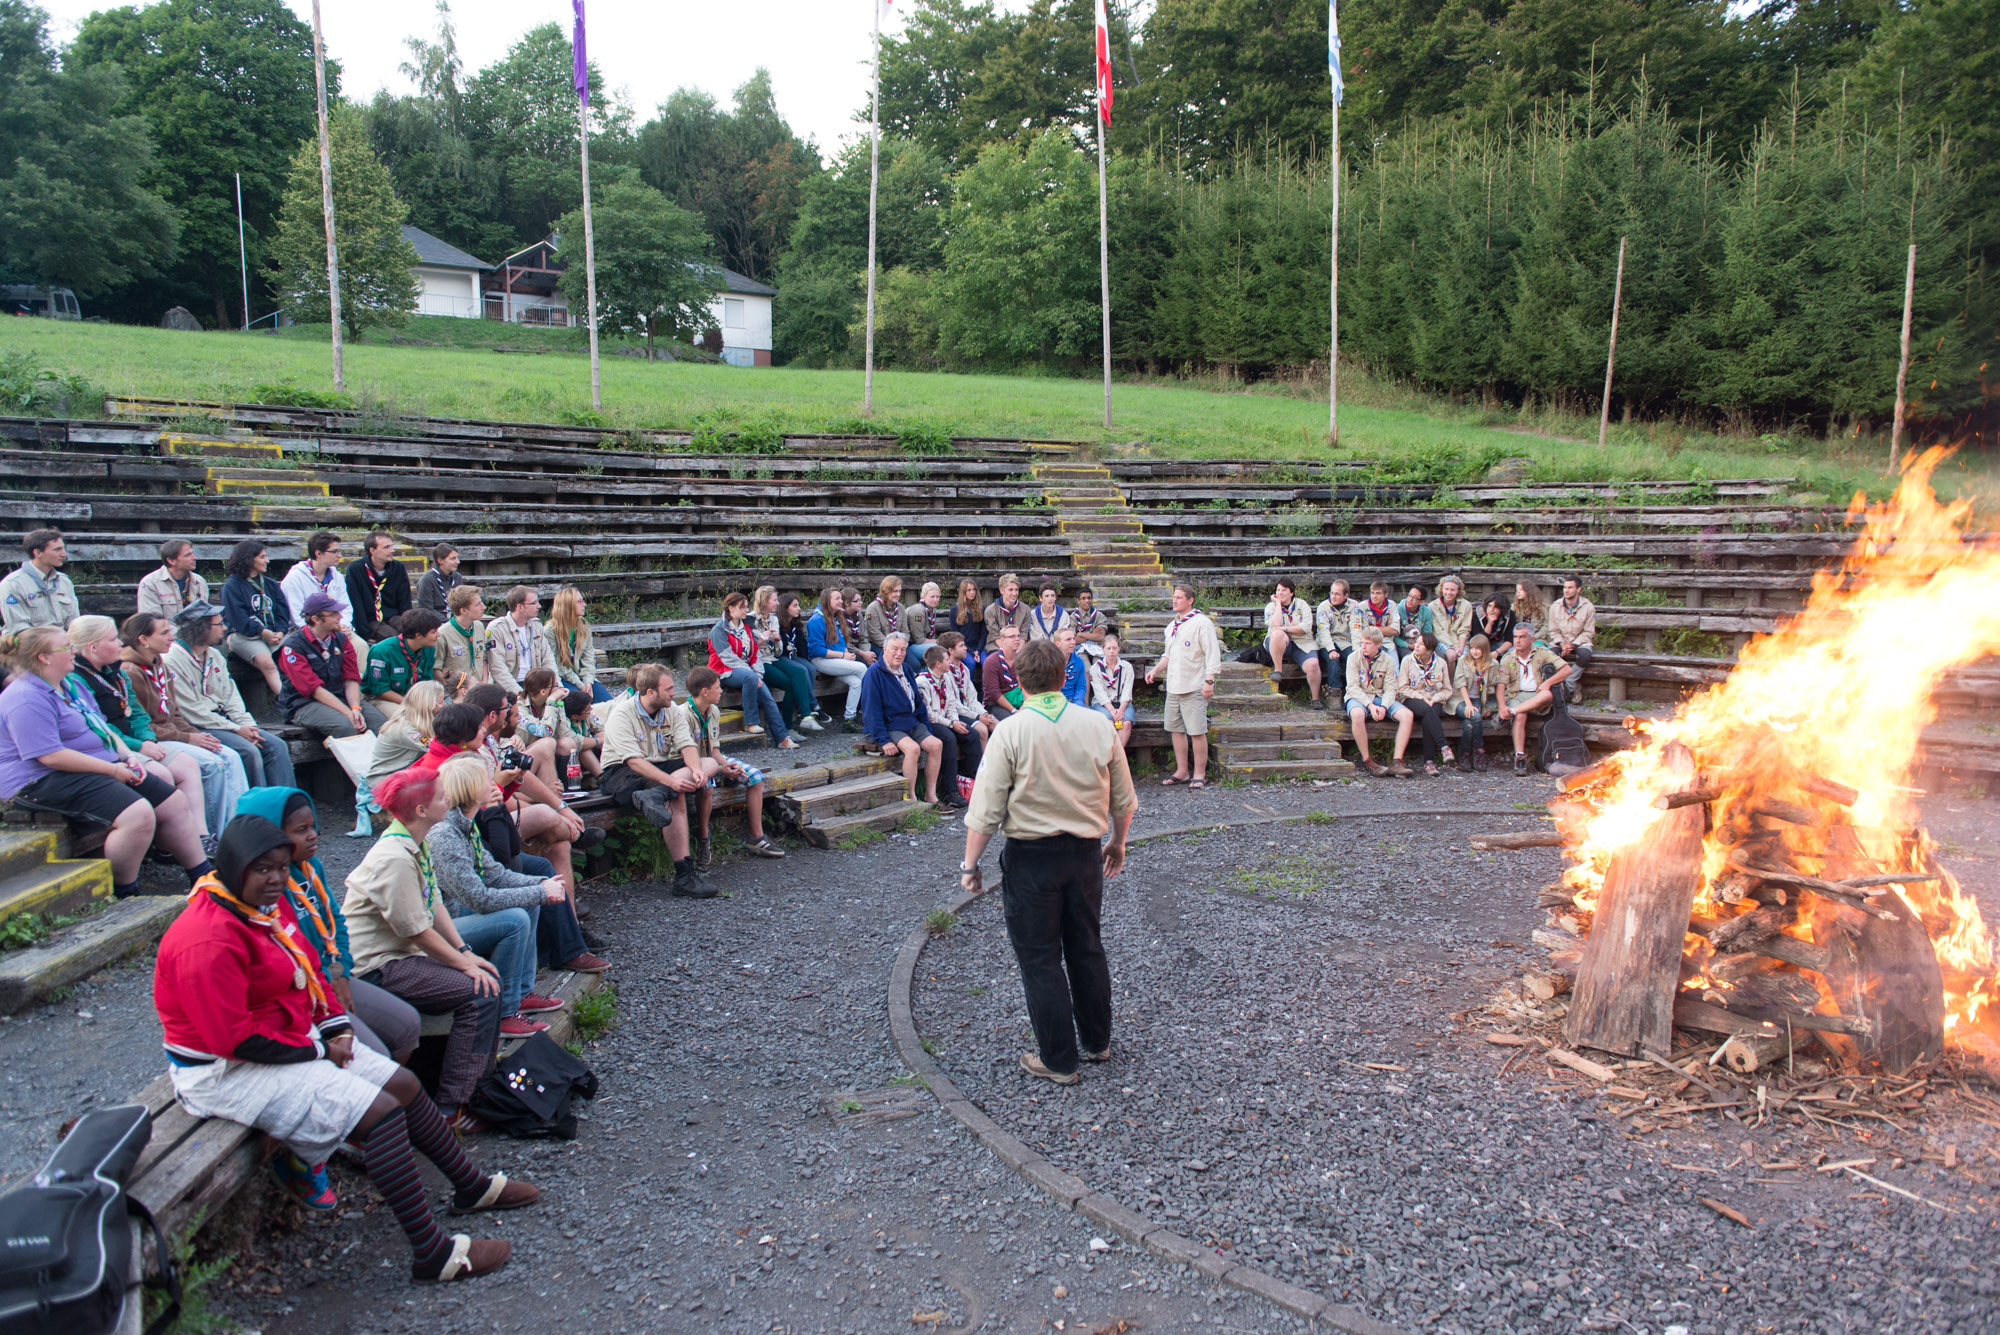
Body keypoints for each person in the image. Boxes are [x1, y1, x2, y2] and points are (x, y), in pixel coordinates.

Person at [158, 811, 536, 1282]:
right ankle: (431, 1252)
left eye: (280, 866)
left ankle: (470, 1185)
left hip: (289, 1041)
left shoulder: (258, 908)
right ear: (233, 868)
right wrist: (319, 1049)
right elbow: (231, 1039)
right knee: (379, 1112)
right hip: (223, 1070)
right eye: (262, 869)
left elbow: (312, 972)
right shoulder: (207, 937)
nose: (276, 878)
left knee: (403, 1082)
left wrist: (335, 1027)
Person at [958, 639, 1136, 1086]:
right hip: (1084, 854)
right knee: (1087, 947)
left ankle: (1058, 1059)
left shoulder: (1011, 731)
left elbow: (986, 809)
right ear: (1063, 676)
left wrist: (970, 865)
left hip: (1031, 858)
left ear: (1019, 681)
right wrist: (1117, 841)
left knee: (1040, 958)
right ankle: (1097, 1042)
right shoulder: (1099, 726)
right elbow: (1123, 797)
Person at [340, 770, 503, 1133]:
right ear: (421, 809)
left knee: (484, 977)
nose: (448, 802)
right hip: (378, 966)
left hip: (401, 954)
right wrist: (465, 966)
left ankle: (473, 1088)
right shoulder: (394, 858)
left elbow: (435, 906)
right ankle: (452, 1105)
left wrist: (464, 951)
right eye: (441, 798)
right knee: (480, 992)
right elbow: (416, 929)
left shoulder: (415, 841)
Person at [0, 626, 209, 898]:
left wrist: (129, 756)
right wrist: (112, 770)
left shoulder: (70, 684)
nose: (74, 651)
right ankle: (124, 892)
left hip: (92, 765)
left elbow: (103, 727)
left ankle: (203, 878)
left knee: (173, 802)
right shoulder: (24, 696)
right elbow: (50, 756)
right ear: (44, 658)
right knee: (138, 814)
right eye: (66, 647)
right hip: (38, 780)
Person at [235, 787, 421, 1062]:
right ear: (271, 833)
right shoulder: (265, 887)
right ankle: (373, 1095)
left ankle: (399, 1093)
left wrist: (341, 972)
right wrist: (330, 981)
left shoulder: (312, 868)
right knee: (373, 1053)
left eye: (313, 827)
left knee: (407, 1024)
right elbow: (285, 958)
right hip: (301, 991)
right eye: (301, 830)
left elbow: (336, 924)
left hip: (332, 974)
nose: (313, 835)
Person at [428, 756, 602, 1038]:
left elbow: (495, 872)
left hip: (452, 914)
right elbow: (479, 899)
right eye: (486, 779)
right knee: (514, 918)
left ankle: (521, 992)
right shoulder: (445, 836)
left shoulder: (465, 824)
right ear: (472, 789)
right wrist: (539, 892)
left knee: (527, 900)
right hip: (436, 928)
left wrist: (541, 884)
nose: (493, 781)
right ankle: (504, 1011)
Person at [65, 616, 221, 848]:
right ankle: (164, 844)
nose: (120, 643)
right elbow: (100, 725)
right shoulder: (77, 679)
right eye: (113, 639)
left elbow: (137, 713)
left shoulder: (115, 672)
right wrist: (139, 746)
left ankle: (201, 836)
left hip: (138, 740)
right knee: (161, 774)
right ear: (92, 647)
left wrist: (146, 737)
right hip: (114, 745)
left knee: (188, 765)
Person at [119, 613, 249, 839]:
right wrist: (189, 739)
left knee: (229, 755)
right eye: (164, 632)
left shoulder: (160, 665)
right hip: (156, 739)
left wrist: (197, 735)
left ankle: (238, 829)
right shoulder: (132, 672)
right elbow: (146, 725)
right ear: (143, 639)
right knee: (213, 763)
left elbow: (174, 713)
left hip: (173, 733)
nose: (172, 636)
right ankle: (209, 835)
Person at [597, 664, 713, 898]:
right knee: (676, 793)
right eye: (669, 688)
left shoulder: (671, 711)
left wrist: (695, 769)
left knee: (708, 764)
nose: (673, 693)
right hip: (621, 772)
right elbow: (634, 762)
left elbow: (687, 745)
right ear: (650, 692)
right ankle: (684, 874)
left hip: (656, 766)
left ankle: (656, 795)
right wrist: (671, 783)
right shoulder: (621, 714)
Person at [165, 603, 295, 789]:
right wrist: (235, 729)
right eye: (219, 624)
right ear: (201, 629)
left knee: (276, 745)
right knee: (248, 751)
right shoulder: (172, 660)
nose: (225, 628)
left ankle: (285, 807)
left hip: (224, 722)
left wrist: (248, 725)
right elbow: (192, 712)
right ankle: (253, 810)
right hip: (198, 727)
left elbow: (231, 696)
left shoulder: (214, 656)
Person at [677, 666, 790, 860]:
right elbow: (688, 755)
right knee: (707, 786)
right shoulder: (682, 715)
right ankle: (704, 837)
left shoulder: (713, 710)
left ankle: (756, 837)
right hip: (690, 764)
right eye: (718, 687)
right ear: (705, 691)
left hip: (711, 758)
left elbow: (714, 749)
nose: (721, 691)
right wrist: (721, 769)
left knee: (753, 776)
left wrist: (726, 766)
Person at [278, 593, 387, 741]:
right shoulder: (293, 647)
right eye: (334, 614)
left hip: (341, 697)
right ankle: (352, 764)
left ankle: (380, 764)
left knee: (381, 725)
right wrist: (348, 713)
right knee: (346, 726)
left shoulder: (341, 640)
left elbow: (351, 678)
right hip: (304, 704)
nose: (340, 617)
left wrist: (355, 708)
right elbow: (313, 690)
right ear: (316, 619)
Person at [1144, 584, 1219, 789]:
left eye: (1179, 597)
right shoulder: (1172, 625)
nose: (1175, 600)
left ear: (1190, 600)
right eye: (1174, 597)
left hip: (1194, 684)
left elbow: (1212, 653)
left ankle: (1200, 774)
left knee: (1196, 731)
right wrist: (1156, 670)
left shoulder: (1201, 623)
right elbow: (1168, 654)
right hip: (1174, 685)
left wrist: (1209, 680)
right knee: (1176, 729)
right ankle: (1182, 771)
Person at [861, 636, 946, 806]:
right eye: (894, 649)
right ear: (884, 649)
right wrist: (883, 740)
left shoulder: (906, 669)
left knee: (936, 745)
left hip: (911, 722)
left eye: (902, 649)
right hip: (890, 725)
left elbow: (918, 702)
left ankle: (931, 794)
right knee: (913, 749)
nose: (899, 653)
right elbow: (872, 710)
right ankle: (911, 798)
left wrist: (926, 727)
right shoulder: (874, 674)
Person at [707, 592, 796, 749]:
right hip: (724, 671)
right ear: (731, 608)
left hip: (748, 673)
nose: (746, 610)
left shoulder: (746, 627)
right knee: (750, 677)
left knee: (767, 697)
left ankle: (782, 737)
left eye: (747, 606)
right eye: (742, 607)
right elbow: (727, 658)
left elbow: (755, 654)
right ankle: (751, 722)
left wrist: (758, 675)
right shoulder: (718, 630)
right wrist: (753, 675)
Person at [218, 539, 293, 698]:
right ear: (249, 559)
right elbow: (239, 620)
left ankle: (301, 696)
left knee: (291, 657)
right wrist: (263, 632)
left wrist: (280, 631)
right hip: (242, 636)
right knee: (268, 664)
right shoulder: (232, 586)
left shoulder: (271, 584)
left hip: (272, 635)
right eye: (262, 557)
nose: (267, 561)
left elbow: (282, 612)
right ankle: (287, 702)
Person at [1495, 622, 1573, 776]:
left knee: (1547, 694)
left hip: (1537, 696)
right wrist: (1502, 706)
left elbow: (1567, 669)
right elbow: (1501, 685)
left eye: (1522, 637)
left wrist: (1548, 682)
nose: (1517, 641)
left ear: (1531, 639)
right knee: (1521, 715)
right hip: (1517, 695)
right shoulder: (1508, 657)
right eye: (1515, 637)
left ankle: (1511, 712)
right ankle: (1519, 757)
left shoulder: (1542, 652)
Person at [1345, 626, 1412, 778]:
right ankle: (1367, 760)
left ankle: (1397, 761)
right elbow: (1353, 686)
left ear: (1378, 645)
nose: (1363, 646)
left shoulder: (1387, 660)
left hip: (1379, 696)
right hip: (1359, 696)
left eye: (1368, 643)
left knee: (1407, 715)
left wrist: (1383, 706)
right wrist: (1370, 705)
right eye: (1362, 642)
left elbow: (1390, 687)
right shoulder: (1354, 657)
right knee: (1357, 714)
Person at [755, 587, 822, 734]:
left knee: (799, 672)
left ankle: (805, 717)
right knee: (793, 681)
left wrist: (778, 641)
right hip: (758, 662)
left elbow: (778, 651)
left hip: (772, 659)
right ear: (765, 601)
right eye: (774, 600)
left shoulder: (773, 619)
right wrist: (759, 642)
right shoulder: (751, 619)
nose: (777, 603)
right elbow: (746, 649)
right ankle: (791, 725)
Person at [916, 645, 982, 792]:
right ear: (938, 664)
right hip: (932, 723)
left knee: (972, 734)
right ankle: (949, 789)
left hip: (947, 719)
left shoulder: (945, 677)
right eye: (947, 660)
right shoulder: (922, 682)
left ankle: (971, 780)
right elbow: (929, 714)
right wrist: (951, 724)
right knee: (949, 738)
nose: (950, 663)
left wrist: (955, 720)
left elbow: (952, 702)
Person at [806, 588, 868, 732]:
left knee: (856, 682)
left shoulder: (836, 617)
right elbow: (817, 650)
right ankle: (870, 710)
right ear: (827, 601)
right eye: (837, 599)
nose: (841, 601)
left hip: (836, 659)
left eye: (841, 598)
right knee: (862, 668)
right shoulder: (815, 620)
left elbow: (841, 641)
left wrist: (846, 652)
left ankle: (849, 719)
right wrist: (842, 656)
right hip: (821, 660)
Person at [363, 609, 444, 719]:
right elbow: (380, 690)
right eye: (434, 632)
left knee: (445, 713)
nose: (438, 635)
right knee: (410, 717)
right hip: (383, 698)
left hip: (414, 698)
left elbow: (426, 681)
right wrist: (414, 705)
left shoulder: (428, 649)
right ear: (418, 635)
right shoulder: (382, 651)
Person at [280, 532, 355, 648]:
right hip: (305, 633)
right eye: (334, 551)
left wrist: (343, 627)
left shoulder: (337, 577)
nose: (339, 555)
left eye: (339, 551)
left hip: (337, 630)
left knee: (360, 646)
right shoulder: (295, 578)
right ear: (318, 553)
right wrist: (327, 631)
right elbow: (297, 616)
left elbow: (346, 607)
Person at [368, 680, 445, 790]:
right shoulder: (406, 729)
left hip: (402, 775)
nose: (444, 705)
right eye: (440, 702)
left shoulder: (418, 722)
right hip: (384, 782)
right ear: (428, 705)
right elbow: (437, 748)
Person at [1396, 632, 1455, 776]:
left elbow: (1448, 689)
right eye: (1417, 642)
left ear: (1429, 649)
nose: (1416, 645)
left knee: (1431, 712)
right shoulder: (1407, 660)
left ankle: (1430, 762)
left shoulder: (1440, 663)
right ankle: (1443, 747)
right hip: (1412, 698)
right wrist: (1421, 697)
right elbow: (1402, 688)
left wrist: (1435, 698)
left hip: (1433, 698)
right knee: (1428, 710)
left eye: (1421, 644)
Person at [1263, 578, 1324, 709]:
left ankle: (1315, 699)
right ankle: (1278, 670)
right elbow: (1276, 625)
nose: (1280, 593)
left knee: (1313, 665)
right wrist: (1278, 605)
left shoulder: (1302, 605)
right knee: (1277, 634)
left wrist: (1286, 629)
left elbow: (1305, 627)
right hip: (1278, 643)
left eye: (1284, 590)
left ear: (1291, 593)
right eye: (1278, 590)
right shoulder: (1271, 606)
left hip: (1303, 642)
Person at [1, 529, 77, 633]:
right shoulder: (13, 584)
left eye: (63, 549)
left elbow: (73, 624)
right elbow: (19, 629)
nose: (64, 554)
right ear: (38, 552)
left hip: (62, 644)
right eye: (57, 549)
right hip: (29, 645)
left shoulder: (64, 581)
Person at [542, 586, 608, 703]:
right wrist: (580, 685)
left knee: (608, 703)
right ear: (568, 605)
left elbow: (588, 658)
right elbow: (557, 665)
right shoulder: (550, 630)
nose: (584, 605)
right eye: (579, 602)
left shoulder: (583, 626)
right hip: (563, 678)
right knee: (580, 703)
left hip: (582, 676)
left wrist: (588, 682)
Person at [346, 531, 412, 645]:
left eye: (392, 546)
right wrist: (365, 634)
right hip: (371, 620)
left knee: (415, 633)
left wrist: (409, 624)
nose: (392, 550)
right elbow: (356, 605)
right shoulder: (356, 569)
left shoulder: (398, 568)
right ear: (372, 550)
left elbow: (405, 602)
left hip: (393, 616)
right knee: (395, 640)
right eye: (386, 547)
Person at [512, 668, 572, 792]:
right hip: (522, 760)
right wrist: (551, 702)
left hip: (545, 757)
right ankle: (552, 795)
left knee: (567, 743)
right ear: (543, 691)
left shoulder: (553, 702)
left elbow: (565, 734)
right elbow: (545, 732)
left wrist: (558, 705)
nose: (559, 689)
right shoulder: (519, 708)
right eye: (555, 686)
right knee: (547, 742)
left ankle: (565, 789)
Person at [488, 586, 556, 696]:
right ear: (520, 607)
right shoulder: (497, 628)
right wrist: (520, 694)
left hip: (536, 685)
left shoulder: (536, 625)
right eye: (533, 603)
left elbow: (548, 658)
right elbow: (498, 668)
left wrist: (555, 685)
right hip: (508, 687)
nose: (539, 606)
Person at [1451, 633, 1500, 772]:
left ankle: (1465, 755)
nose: (1474, 651)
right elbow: (1460, 684)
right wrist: (1468, 704)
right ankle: (1479, 750)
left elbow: (1491, 687)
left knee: (1470, 724)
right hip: (1461, 699)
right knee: (1475, 716)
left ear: (1485, 649)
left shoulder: (1492, 664)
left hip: (1479, 700)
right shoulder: (1463, 661)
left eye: (1478, 648)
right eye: (1472, 648)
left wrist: (1488, 707)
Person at [1548, 576, 1597, 703]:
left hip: (1580, 642)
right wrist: (1562, 643)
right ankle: (1563, 687)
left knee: (1585, 655)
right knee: (1549, 657)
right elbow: (1553, 630)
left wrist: (1573, 645)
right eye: (1565, 587)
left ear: (1578, 589)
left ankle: (1569, 683)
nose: (1566, 590)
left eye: (1570, 587)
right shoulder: (1555, 606)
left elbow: (1588, 632)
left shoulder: (1588, 607)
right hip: (1560, 641)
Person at [137, 539, 209, 622]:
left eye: (192, 553)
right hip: (166, 633)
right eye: (188, 555)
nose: (194, 558)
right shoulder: (150, 583)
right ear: (171, 561)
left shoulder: (199, 581)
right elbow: (151, 622)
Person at [1086, 633, 1135, 752]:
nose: (1111, 651)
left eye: (1114, 648)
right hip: (1102, 704)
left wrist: (1121, 709)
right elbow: (1099, 693)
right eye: (1108, 648)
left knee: (1127, 723)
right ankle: (1114, 758)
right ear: (1103, 649)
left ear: (1119, 648)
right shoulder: (1095, 668)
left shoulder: (1126, 667)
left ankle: (1116, 757)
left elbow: (1127, 691)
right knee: (1108, 722)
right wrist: (1112, 710)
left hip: (1122, 703)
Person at [437, 584, 492, 688]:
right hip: (457, 693)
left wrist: (484, 681)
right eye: (478, 604)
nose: (483, 607)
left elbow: (483, 658)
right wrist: (454, 690)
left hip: (479, 688)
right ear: (463, 610)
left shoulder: (479, 627)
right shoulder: (443, 634)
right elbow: (436, 669)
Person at [1314, 578, 1360, 694]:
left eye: (1337, 594)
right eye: (1332, 593)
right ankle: (1334, 692)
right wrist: (1331, 650)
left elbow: (1356, 629)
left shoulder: (1354, 606)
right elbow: (1323, 632)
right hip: (1326, 642)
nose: (1333, 596)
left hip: (1345, 641)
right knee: (1333, 661)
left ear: (1346, 595)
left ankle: (1354, 690)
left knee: (1353, 659)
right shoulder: (1323, 607)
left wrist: (1357, 650)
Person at [1425, 575, 1474, 676]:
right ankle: (1450, 683)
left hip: (1459, 641)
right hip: (1441, 640)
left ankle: (1461, 684)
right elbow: (1438, 631)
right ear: (1441, 589)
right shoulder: (1433, 606)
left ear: (1458, 591)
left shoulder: (1466, 606)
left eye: (1453, 590)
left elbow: (1464, 629)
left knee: (1464, 657)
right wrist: (1452, 647)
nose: (1449, 592)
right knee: (1451, 655)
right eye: (1446, 589)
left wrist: (1460, 647)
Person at [981, 624, 1025, 720]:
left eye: (1018, 636)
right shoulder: (991, 661)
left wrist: (1023, 707)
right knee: (1012, 721)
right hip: (996, 704)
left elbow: (1028, 686)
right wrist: (1014, 710)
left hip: (1021, 699)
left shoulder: (1023, 659)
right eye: (1012, 636)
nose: (1017, 639)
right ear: (1002, 640)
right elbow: (995, 693)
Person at [561, 691, 603, 785]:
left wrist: (602, 739)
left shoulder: (587, 716)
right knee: (584, 749)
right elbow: (579, 742)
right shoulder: (564, 722)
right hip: (571, 759)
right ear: (575, 716)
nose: (591, 709)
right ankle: (601, 777)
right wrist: (600, 741)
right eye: (588, 709)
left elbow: (599, 729)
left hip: (590, 754)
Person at [983, 573, 1031, 647]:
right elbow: (995, 636)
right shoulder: (990, 611)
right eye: (1010, 590)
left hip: (1019, 646)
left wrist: (1016, 652)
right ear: (1002, 591)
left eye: (1016, 590)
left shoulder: (1025, 610)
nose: (1014, 593)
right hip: (997, 646)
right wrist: (1009, 651)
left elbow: (1023, 636)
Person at [899, 581, 944, 658]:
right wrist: (939, 641)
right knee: (939, 650)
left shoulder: (931, 610)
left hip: (922, 644)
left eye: (938, 596)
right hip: (910, 645)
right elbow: (919, 640)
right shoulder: (918, 611)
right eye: (932, 597)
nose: (936, 599)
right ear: (923, 596)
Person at [415, 543, 462, 616]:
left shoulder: (457, 577)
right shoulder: (427, 580)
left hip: (455, 619)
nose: (458, 561)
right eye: (453, 558)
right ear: (440, 560)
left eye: (457, 558)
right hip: (435, 622)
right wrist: (449, 623)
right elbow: (426, 610)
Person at [1351, 580, 1399, 649]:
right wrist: (1387, 629)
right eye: (1372, 593)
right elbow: (1363, 630)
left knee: (1393, 660)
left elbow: (1394, 630)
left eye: (1378, 593)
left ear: (1386, 595)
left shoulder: (1391, 605)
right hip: (1368, 644)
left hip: (1387, 644)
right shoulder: (1362, 606)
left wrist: (1370, 629)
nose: (1374, 596)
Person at [862, 577, 904, 658]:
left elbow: (905, 630)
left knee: (914, 663)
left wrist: (902, 646)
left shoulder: (900, 607)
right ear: (886, 591)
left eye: (900, 591)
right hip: (879, 645)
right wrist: (892, 647)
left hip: (899, 645)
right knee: (890, 660)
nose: (898, 594)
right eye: (895, 591)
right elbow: (875, 634)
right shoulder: (873, 608)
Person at [952, 579, 988, 666]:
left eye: (974, 589)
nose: (972, 592)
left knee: (986, 662)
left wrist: (978, 650)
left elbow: (984, 633)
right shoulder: (954, 611)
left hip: (979, 646)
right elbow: (956, 634)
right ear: (963, 592)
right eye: (969, 590)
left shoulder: (981, 609)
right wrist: (972, 652)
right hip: (963, 646)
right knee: (971, 663)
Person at [840, 585, 875, 666]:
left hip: (860, 649)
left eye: (860, 600)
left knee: (876, 659)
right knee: (866, 665)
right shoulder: (840, 617)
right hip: (847, 651)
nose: (861, 603)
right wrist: (863, 654)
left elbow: (863, 637)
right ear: (846, 603)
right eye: (856, 601)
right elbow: (845, 643)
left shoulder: (858, 615)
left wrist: (866, 652)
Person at [1055, 626, 1089, 706]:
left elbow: (1081, 687)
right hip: (1055, 702)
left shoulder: (1079, 661)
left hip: (1073, 701)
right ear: (1057, 643)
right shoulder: (1049, 662)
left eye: (1073, 638)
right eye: (1068, 639)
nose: (1073, 642)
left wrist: (1078, 703)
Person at [1070, 588, 1107, 657]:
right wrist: (1092, 635)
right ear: (1078, 600)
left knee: (1098, 662)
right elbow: (1073, 640)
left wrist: (1080, 634)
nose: (1087, 601)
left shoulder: (1099, 616)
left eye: (1089, 598)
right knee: (1083, 660)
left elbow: (1100, 637)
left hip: (1097, 647)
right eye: (1083, 598)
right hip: (1079, 649)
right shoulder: (1073, 617)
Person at [1396, 584, 1430, 658]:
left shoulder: (1426, 612)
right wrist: (1408, 645)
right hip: (1403, 644)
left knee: (1433, 655)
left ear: (1421, 602)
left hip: (1420, 643)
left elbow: (1427, 634)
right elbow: (1395, 636)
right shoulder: (1398, 609)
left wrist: (1420, 644)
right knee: (1410, 657)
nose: (1410, 599)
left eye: (1415, 598)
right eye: (1409, 595)